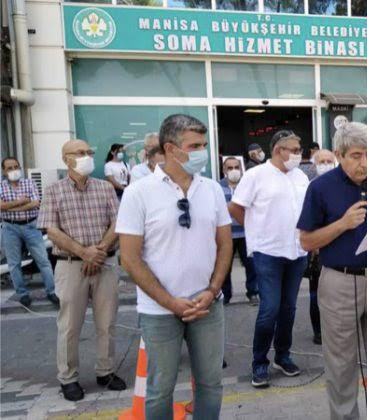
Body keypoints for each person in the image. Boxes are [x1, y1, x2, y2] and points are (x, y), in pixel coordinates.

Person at [116, 114, 232, 418]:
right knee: (159, 390)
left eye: (204, 145)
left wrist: (212, 289)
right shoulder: (138, 193)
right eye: (195, 146)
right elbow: (129, 257)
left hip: (208, 305)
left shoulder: (212, 190)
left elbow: (225, 244)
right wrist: (171, 303)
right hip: (159, 311)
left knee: (211, 383)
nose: (202, 152)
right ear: (170, 148)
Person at [297, 122, 367, 419]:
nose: (364, 162)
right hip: (339, 281)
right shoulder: (320, 187)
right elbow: (306, 240)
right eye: (356, 155)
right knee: (341, 364)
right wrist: (342, 224)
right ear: (339, 154)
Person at [37, 139, 126, 401]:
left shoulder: (104, 188)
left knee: (107, 322)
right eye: (81, 153)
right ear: (66, 159)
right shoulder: (53, 191)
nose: (87, 156)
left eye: (89, 152)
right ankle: (68, 377)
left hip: (104, 263)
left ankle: (105, 370)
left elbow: (117, 221)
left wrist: (97, 250)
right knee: (69, 326)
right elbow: (50, 229)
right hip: (70, 266)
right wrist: (83, 251)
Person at [230, 130, 310, 388]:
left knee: (289, 309)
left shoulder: (301, 177)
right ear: (279, 150)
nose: (299, 154)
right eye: (295, 150)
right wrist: (254, 230)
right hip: (267, 253)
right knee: (269, 309)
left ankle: (283, 356)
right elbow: (235, 207)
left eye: (299, 150)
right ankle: (259, 362)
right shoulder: (255, 176)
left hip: (297, 252)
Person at [1, 157, 58, 307]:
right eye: (9, 168)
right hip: (10, 228)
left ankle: (52, 292)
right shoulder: (1, 186)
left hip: (31, 226)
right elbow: (1, 206)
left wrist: (10, 207)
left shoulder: (29, 183)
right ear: (4, 171)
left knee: (43, 261)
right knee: (14, 264)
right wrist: (21, 202)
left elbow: (35, 203)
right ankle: (22, 294)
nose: (14, 170)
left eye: (16, 166)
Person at [305, 149, 337, 345]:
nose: (325, 164)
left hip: (339, 246)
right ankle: (318, 331)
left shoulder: (341, 186)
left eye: (328, 161)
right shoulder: (309, 187)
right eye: (321, 161)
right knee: (316, 294)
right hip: (317, 249)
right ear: (314, 165)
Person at [218, 156, 258, 305]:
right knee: (225, 266)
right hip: (226, 233)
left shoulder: (247, 185)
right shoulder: (218, 187)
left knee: (251, 265)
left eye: (236, 167)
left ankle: (253, 293)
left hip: (246, 232)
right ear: (224, 170)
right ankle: (226, 295)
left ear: (241, 169)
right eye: (230, 168)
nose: (233, 170)